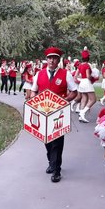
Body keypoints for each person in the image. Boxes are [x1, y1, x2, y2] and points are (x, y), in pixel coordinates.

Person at [31, 46, 78, 183]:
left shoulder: (66, 74)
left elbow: (74, 92)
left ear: (58, 60)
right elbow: (34, 91)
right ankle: (52, 162)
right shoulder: (39, 74)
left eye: (54, 58)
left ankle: (57, 170)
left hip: (59, 113)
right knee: (47, 140)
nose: (51, 60)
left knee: (57, 141)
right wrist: (34, 101)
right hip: (43, 113)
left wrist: (64, 101)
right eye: (49, 58)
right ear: (46, 59)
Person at [74, 47, 97, 123]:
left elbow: (76, 75)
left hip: (82, 82)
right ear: (88, 58)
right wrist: (93, 77)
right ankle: (83, 112)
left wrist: (81, 78)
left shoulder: (80, 65)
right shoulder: (87, 65)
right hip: (87, 82)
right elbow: (88, 76)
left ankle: (81, 116)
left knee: (84, 98)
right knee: (93, 99)